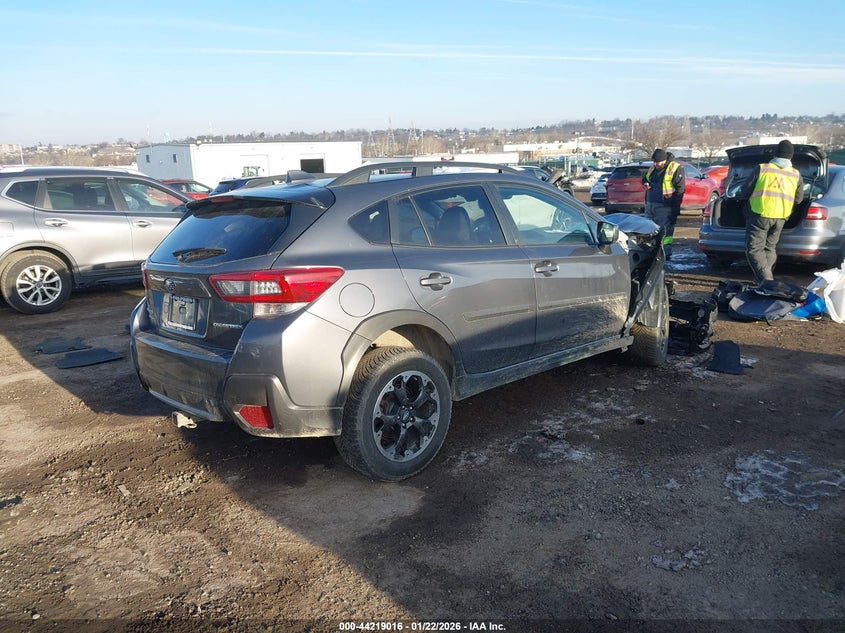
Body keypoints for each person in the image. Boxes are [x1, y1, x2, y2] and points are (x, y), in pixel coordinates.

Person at [739, 139, 804, 283]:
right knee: (770, 248)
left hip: (760, 213)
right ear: (790, 157)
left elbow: (745, 190)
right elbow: (799, 199)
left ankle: (766, 280)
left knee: (754, 249)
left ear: (776, 154)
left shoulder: (763, 168)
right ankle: (764, 281)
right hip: (781, 216)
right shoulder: (795, 174)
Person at [642, 148, 685, 259]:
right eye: (655, 162)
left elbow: (680, 190)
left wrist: (675, 209)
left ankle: (665, 253)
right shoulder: (652, 168)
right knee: (649, 230)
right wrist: (646, 182)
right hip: (650, 205)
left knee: (664, 231)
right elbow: (645, 178)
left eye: (658, 162)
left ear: (664, 160)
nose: (656, 164)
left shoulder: (675, 168)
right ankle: (651, 251)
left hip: (665, 205)